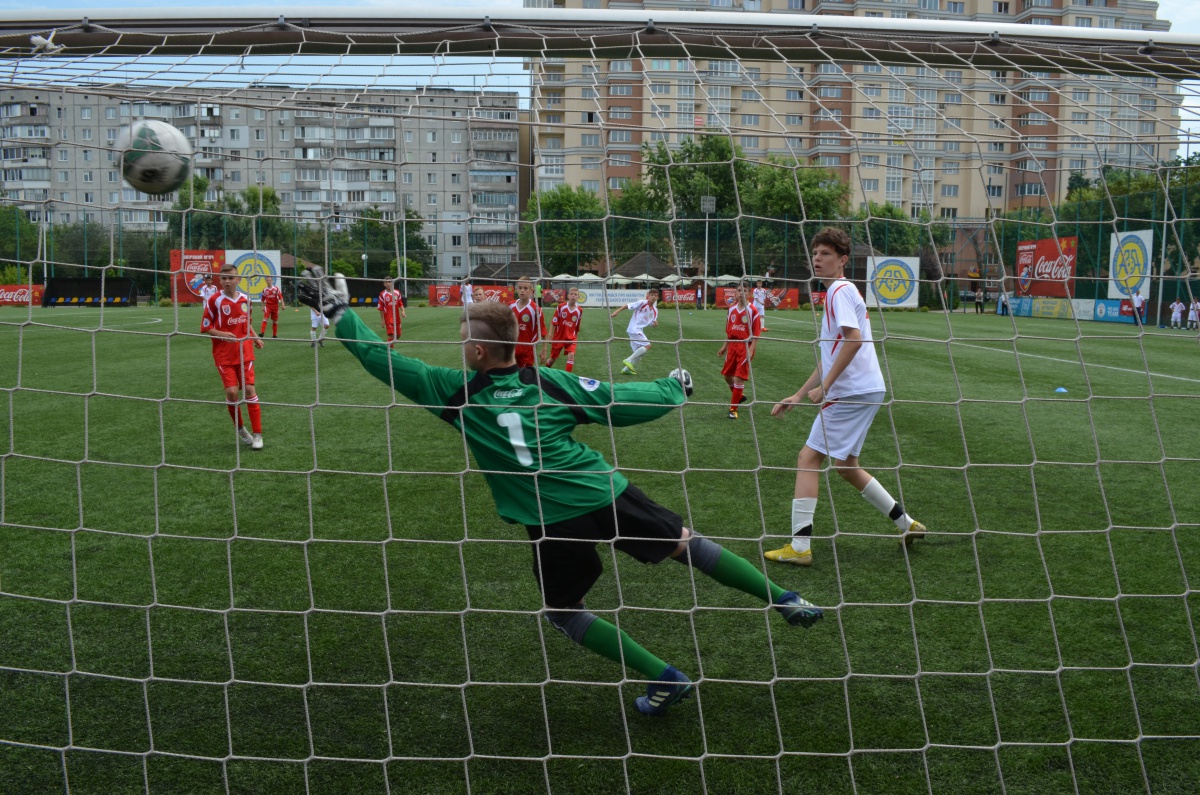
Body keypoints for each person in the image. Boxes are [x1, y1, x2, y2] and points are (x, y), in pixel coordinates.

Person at [295, 268, 822, 716]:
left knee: (564, 609)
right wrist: (672, 388)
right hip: (604, 490)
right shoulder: (548, 381)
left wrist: (340, 313)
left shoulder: (451, 392)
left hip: (551, 519)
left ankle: (665, 678)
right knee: (685, 543)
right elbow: (617, 402)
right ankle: (785, 599)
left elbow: (378, 359)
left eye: (463, 340)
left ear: (477, 349)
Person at [764, 227, 924, 567]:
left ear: (842, 261)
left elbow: (853, 341)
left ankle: (800, 547)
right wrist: (799, 394)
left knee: (808, 458)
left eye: (826, 254)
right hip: (867, 387)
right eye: (816, 253)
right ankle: (906, 524)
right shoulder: (840, 292)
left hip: (852, 389)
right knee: (846, 466)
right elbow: (831, 354)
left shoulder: (838, 290)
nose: (818, 259)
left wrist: (826, 388)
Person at [201, 264, 264, 450]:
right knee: (232, 393)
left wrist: (254, 337)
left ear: (238, 280)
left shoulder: (246, 300)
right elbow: (205, 327)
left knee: (250, 390)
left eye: (231, 278)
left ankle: (258, 434)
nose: (227, 281)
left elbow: (247, 322)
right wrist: (222, 334)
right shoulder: (214, 300)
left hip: (245, 352)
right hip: (224, 354)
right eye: (224, 278)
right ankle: (241, 429)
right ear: (220, 280)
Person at [718, 285, 761, 420]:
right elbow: (728, 332)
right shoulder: (731, 310)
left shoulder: (753, 311)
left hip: (745, 346)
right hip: (732, 346)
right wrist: (724, 347)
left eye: (745, 290)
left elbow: (756, 334)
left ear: (749, 294)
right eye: (739, 290)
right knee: (727, 375)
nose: (741, 293)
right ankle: (739, 397)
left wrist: (751, 350)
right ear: (735, 293)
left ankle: (733, 409)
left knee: (738, 378)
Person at [611, 288, 659, 375]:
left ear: (657, 298)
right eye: (652, 295)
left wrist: (654, 324)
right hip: (634, 328)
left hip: (638, 330)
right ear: (648, 296)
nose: (653, 297)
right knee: (648, 345)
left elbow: (651, 323)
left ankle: (625, 370)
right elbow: (627, 306)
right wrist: (616, 311)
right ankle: (627, 360)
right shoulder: (642, 303)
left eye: (655, 296)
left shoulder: (655, 311)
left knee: (639, 354)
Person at [544, 286, 583, 372]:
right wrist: (550, 336)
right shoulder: (561, 307)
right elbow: (553, 323)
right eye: (571, 294)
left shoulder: (579, 310)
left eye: (575, 294)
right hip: (559, 337)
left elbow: (577, 327)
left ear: (578, 297)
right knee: (552, 359)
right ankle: (544, 372)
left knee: (571, 355)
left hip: (571, 338)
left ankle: (567, 377)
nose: (573, 296)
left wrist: (576, 338)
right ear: (568, 296)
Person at [510, 277, 546, 368]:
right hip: (511, 350)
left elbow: (543, 332)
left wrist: (544, 350)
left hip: (527, 352)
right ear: (516, 289)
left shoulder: (536, 309)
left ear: (531, 291)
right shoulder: (510, 306)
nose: (522, 291)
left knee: (525, 379)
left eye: (525, 288)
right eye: (520, 288)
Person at [378, 278, 406, 347]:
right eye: (386, 282)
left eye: (389, 282)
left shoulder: (397, 292)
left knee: (398, 335)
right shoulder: (382, 294)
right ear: (384, 284)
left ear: (392, 283)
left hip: (397, 318)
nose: (388, 284)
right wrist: (382, 320)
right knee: (392, 336)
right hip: (388, 318)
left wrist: (403, 311)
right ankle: (389, 351)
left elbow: (400, 303)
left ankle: (387, 347)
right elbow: (381, 308)